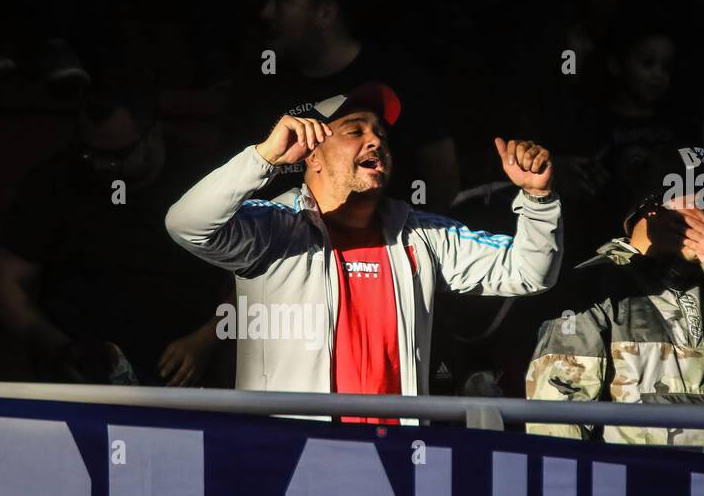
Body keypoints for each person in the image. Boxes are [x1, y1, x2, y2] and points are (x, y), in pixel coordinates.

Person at [167, 81, 561, 414]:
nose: (375, 140)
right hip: (293, 453)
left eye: (381, 134)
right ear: (312, 154)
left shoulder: (419, 233)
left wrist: (538, 200)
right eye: (355, 130)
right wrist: (264, 158)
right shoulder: (276, 227)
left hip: (399, 454)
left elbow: (529, 272)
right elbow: (186, 224)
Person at [526, 145, 704, 446]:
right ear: (649, 209)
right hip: (630, 483)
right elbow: (556, 431)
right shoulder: (591, 287)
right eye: (699, 199)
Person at [0, 83, 230, 386]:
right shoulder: (55, 181)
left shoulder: (206, 179)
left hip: (182, 388)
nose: (104, 167)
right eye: (93, 155)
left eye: (118, 156)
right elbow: (6, 287)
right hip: (82, 386)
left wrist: (206, 340)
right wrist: (60, 348)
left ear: (153, 135)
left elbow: (254, 278)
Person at [222, 0, 460, 214]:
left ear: (325, 13)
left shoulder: (398, 79)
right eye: (265, 0)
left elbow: (441, 176)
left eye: (280, 1)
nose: (266, 13)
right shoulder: (259, 85)